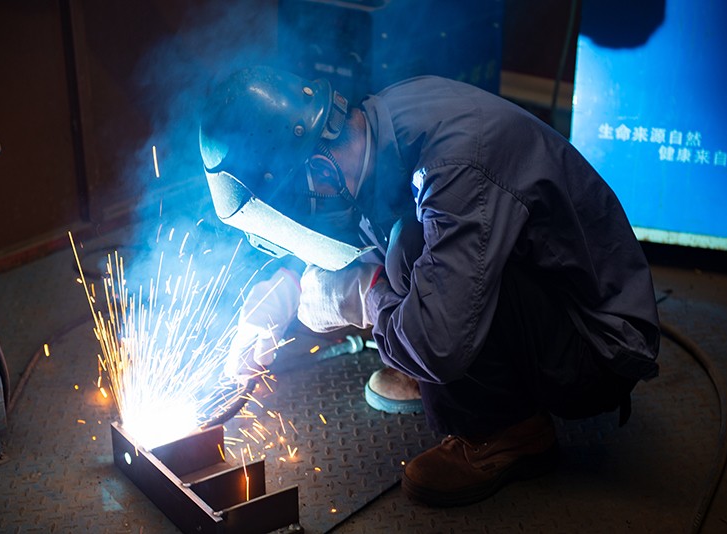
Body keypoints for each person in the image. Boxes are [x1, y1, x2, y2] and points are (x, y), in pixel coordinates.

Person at [198, 65, 660, 507]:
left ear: (319, 170)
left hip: (596, 347)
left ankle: (507, 432)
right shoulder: (379, 127)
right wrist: (285, 284)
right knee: (407, 246)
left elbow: (438, 343)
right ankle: (453, 366)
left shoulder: (454, 169)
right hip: (547, 288)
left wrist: (366, 295)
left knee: (412, 253)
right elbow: (365, 218)